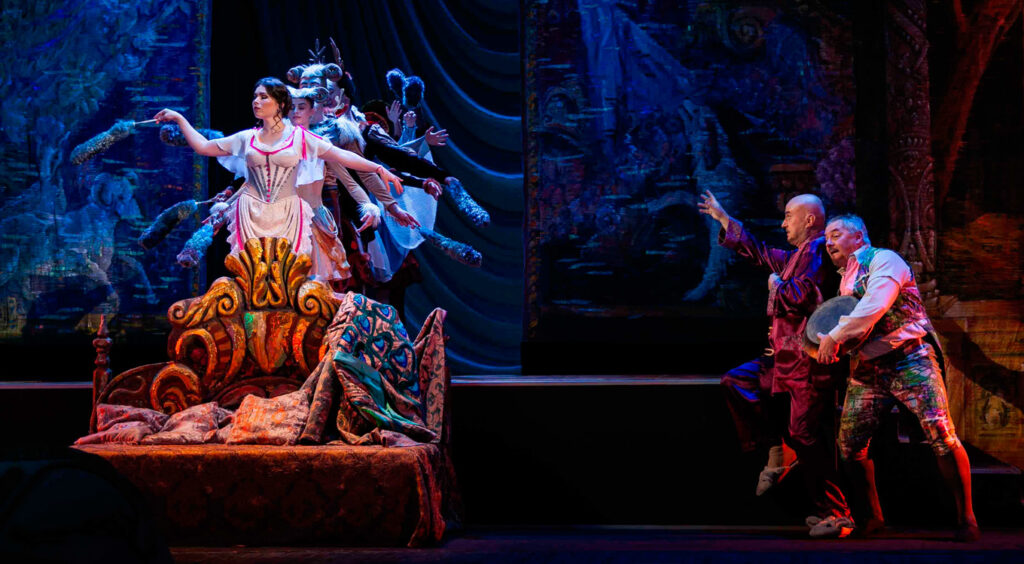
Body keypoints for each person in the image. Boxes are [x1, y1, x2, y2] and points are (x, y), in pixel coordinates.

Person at [698, 190, 852, 538]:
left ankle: (838, 514)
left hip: (804, 361)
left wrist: (777, 285)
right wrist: (724, 219)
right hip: (781, 358)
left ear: (809, 220)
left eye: (788, 216)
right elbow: (762, 253)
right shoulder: (800, 254)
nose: (783, 223)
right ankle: (776, 449)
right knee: (737, 382)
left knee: (806, 435)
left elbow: (805, 295)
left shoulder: (817, 251)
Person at [817, 214, 979, 541]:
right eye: (826, 237)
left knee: (941, 433)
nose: (828, 242)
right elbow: (855, 325)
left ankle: (967, 518)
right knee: (850, 444)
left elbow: (874, 306)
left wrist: (834, 336)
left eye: (835, 234)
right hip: (868, 368)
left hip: (909, 358)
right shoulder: (846, 279)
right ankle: (872, 518)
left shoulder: (884, 260)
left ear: (859, 236)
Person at [153, 78, 406, 265]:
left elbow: (342, 156)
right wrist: (179, 119)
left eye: (263, 97)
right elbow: (204, 146)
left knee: (288, 281)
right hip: (251, 216)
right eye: (255, 96)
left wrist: (378, 168)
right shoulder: (247, 137)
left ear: (280, 104)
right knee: (254, 281)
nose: (256, 101)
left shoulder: (299, 138)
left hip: (288, 216)